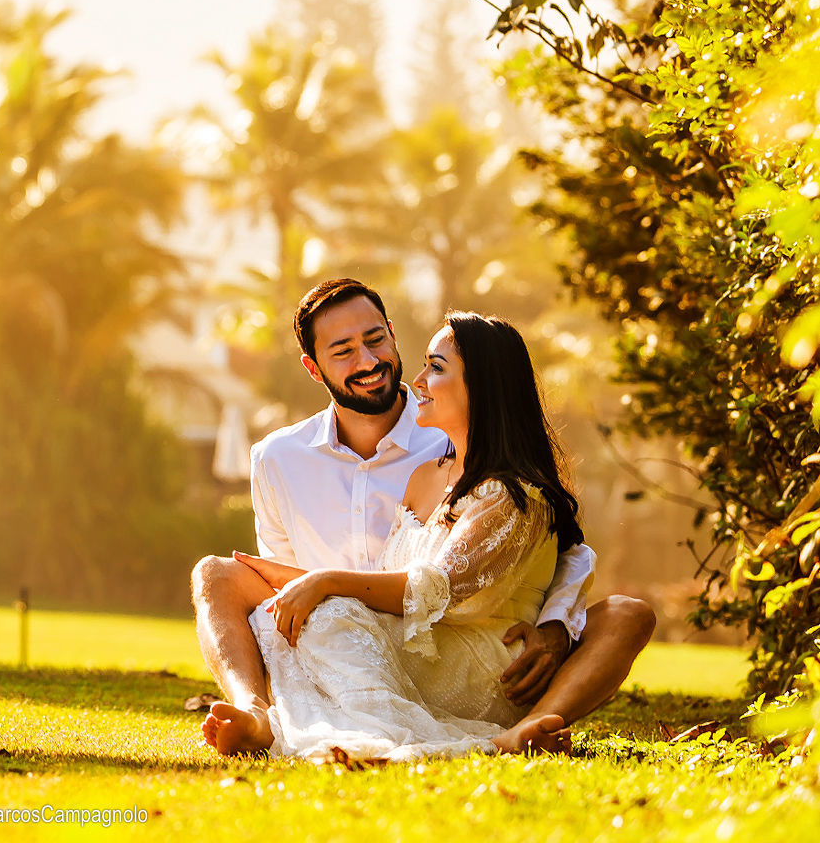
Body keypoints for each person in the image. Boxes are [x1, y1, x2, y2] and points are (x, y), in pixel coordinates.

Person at [192, 279, 656, 757]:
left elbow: (559, 547)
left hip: (447, 638)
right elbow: (288, 598)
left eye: (375, 340)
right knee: (218, 576)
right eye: (344, 351)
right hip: (360, 626)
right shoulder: (279, 458)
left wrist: (557, 626)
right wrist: (311, 585)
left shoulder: (456, 441)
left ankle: (516, 726)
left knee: (626, 612)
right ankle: (255, 710)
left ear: (392, 334)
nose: (369, 362)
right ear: (313, 368)